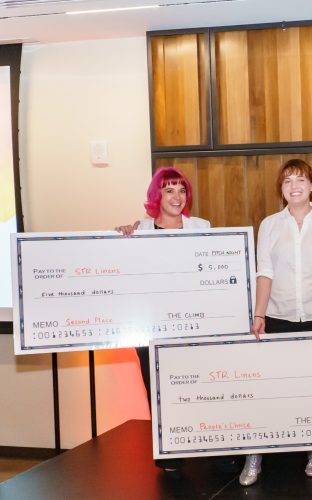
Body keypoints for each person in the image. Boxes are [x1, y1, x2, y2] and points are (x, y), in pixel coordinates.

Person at [242, 158, 312, 486]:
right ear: (281, 189)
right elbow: (264, 272)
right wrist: (258, 314)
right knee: (268, 387)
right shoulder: (270, 224)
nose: (294, 186)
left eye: (300, 180)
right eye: (287, 181)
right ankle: (254, 455)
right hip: (278, 316)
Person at [114, 167, 211, 474]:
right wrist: (117, 240)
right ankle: (168, 450)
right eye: (169, 190)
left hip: (190, 327)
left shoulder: (202, 227)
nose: (176, 196)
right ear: (157, 195)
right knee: (156, 390)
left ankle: (200, 443)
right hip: (149, 331)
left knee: (191, 388)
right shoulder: (138, 230)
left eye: (181, 190)